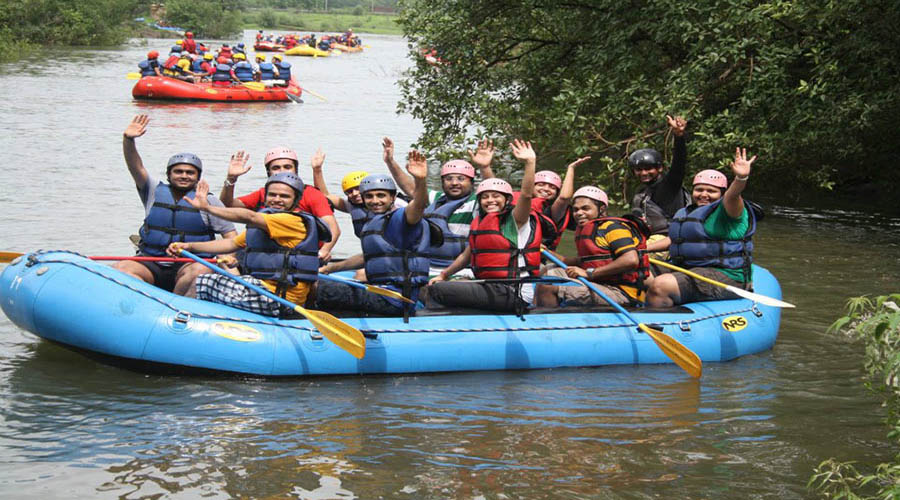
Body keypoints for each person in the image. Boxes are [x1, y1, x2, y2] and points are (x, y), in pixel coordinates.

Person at [166, 173, 331, 316]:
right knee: (213, 279)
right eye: (272, 195)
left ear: (296, 200)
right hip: (265, 290)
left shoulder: (290, 220)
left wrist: (207, 207)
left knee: (201, 282)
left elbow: (250, 217)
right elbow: (231, 243)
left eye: (284, 196)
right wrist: (189, 247)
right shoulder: (269, 223)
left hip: (276, 299)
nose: (277, 200)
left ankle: (176, 319)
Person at [113, 115, 237, 296]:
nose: (184, 175)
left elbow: (230, 235)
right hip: (151, 261)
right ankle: (139, 306)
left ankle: (175, 308)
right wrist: (128, 140)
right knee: (122, 268)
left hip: (190, 263)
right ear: (169, 174)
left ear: (198, 176)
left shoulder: (209, 201)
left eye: (190, 172)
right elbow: (135, 166)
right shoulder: (152, 191)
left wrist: (229, 258)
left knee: (200, 272)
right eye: (178, 171)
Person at [426, 140, 541, 313]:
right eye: (485, 197)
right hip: (491, 285)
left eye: (496, 196)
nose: (490, 201)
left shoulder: (516, 219)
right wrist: (444, 274)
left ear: (507, 200)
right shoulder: (480, 221)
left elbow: (525, 195)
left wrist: (530, 163)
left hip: (512, 290)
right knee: (439, 284)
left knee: (439, 290)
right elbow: (466, 256)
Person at [317, 153, 434, 317]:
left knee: (316, 287)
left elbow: (419, 206)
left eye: (381, 195)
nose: (375, 200)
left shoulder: (401, 218)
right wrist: (331, 268)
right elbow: (368, 257)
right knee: (318, 281)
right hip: (379, 291)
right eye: (369, 196)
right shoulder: (374, 223)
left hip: (395, 299)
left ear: (392, 197)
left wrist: (420, 181)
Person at [646, 148, 758, 307]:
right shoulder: (685, 212)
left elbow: (733, 195)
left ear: (722, 194)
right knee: (637, 268)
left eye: (711, 191)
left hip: (725, 275)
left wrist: (741, 178)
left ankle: (659, 321)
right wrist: (643, 249)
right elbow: (675, 240)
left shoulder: (728, 210)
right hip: (688, 268)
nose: (704, 194)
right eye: (699, 190)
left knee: (661, 286)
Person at [382, 137, 491, 274]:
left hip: (460, 270)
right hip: (426, 266)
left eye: (461, 179)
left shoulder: (476, 202)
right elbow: (411, 189)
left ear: (472, 182)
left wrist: (485, 167)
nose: (454, 183)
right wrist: (390, 162)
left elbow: (492, 191)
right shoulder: (436, 198)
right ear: (442, 182)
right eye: (449, 179)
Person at [536, 186, 651, 307]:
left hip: (621, 292)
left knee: (547, 287)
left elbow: (631, 260)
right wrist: (545, 251)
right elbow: (575, 262)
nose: (579, 213)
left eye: (585, 208)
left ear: (602, 209)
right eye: (576, 210)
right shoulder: (590, 230)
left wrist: (590, 273)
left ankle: (547, 320)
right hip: (599, 283)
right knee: (548, 270)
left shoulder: (614, 228)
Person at [220, 148, 341, 262]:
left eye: (287, 167)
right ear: (269, 172)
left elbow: (333, 229)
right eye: (276, 168)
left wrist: (324, 252)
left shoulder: (311, 194)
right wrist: (231, 178)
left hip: (299, 254)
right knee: (225, 255)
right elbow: (228, 205)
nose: (282, 171)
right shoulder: (264, 193)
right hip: (266, 252)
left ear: (295, 170)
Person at [630, 115, 689, 236]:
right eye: (639, 170)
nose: (644, 173)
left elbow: (679, 164)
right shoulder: (641, 192)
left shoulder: (670, 185)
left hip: (670, 241)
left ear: (660, 168)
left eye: (648, 169)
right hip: (649, 241)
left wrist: (679, 136)